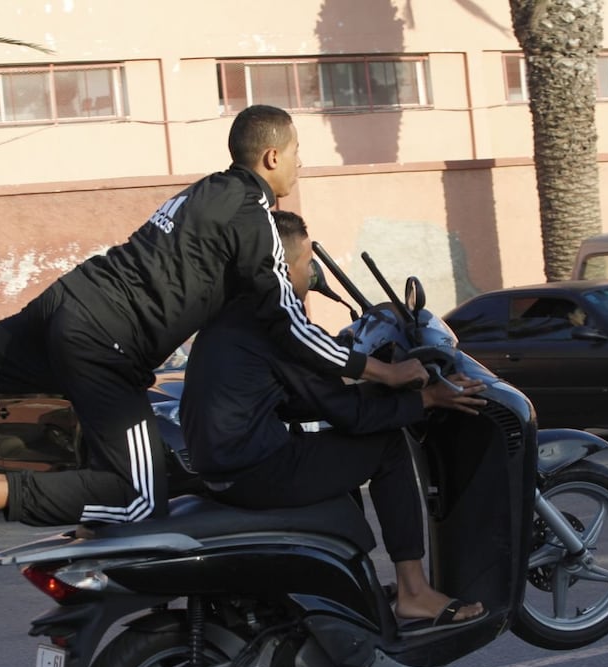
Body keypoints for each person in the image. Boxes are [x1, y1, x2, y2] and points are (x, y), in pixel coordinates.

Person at [0, 104, 428, 571]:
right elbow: (287, 318)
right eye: (299, 156)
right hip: (106, 346)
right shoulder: (254, 217)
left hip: (70, 302)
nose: (301, 167)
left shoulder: (201, 193)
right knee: (143, 492)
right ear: (273, 155)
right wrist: (381, 371)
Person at [181, 210, 488, 631]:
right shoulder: (274, 321)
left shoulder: (235, 315)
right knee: (387, 447)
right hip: (256, 469)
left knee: (340, 447)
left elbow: (296, 398)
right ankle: (415, 592)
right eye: (308, 262)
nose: (314, 271)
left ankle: (353, 585)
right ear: (284, 266)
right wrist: (428, 398)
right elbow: (349, 413)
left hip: (225, 466)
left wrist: (373, 391)